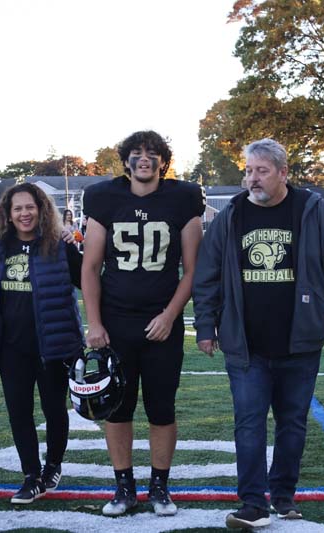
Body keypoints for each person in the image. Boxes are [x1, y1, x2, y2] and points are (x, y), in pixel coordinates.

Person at [192, 139, 324, 529]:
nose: (252, 179)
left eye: (261, 171)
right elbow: (207, 276)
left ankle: (282, 495)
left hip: (300, 341)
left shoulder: (313, 210)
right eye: (248, 171)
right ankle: (253, 502)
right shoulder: (231, 215)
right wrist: (205, 325)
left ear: (284, 173)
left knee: (293, 422)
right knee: (248, 423)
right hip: (245, 344)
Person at [81, 130, 205, 517]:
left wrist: (170, 316)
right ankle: (123, 487)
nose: (144, 159)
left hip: (161, 323)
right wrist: (95, 323)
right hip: (116, 323)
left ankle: (160, 487)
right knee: (116, 408)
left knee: (161, 408)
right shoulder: (104, 197)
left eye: (152, 154)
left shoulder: (183, 197)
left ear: (164, 162)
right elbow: (90, 266)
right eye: (137, 154)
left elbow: (192, 270)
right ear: (126, 162)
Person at [0, 183, 84, 505]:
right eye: (17, 209)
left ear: (41, 210)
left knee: (54, 409)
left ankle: (53, 464)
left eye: (30, 207)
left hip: (53, 345)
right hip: (12, 347)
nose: (24, 213)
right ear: (8, 214)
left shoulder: (59, 245)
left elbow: (89, 280)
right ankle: (31, 475)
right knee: (19, 412)